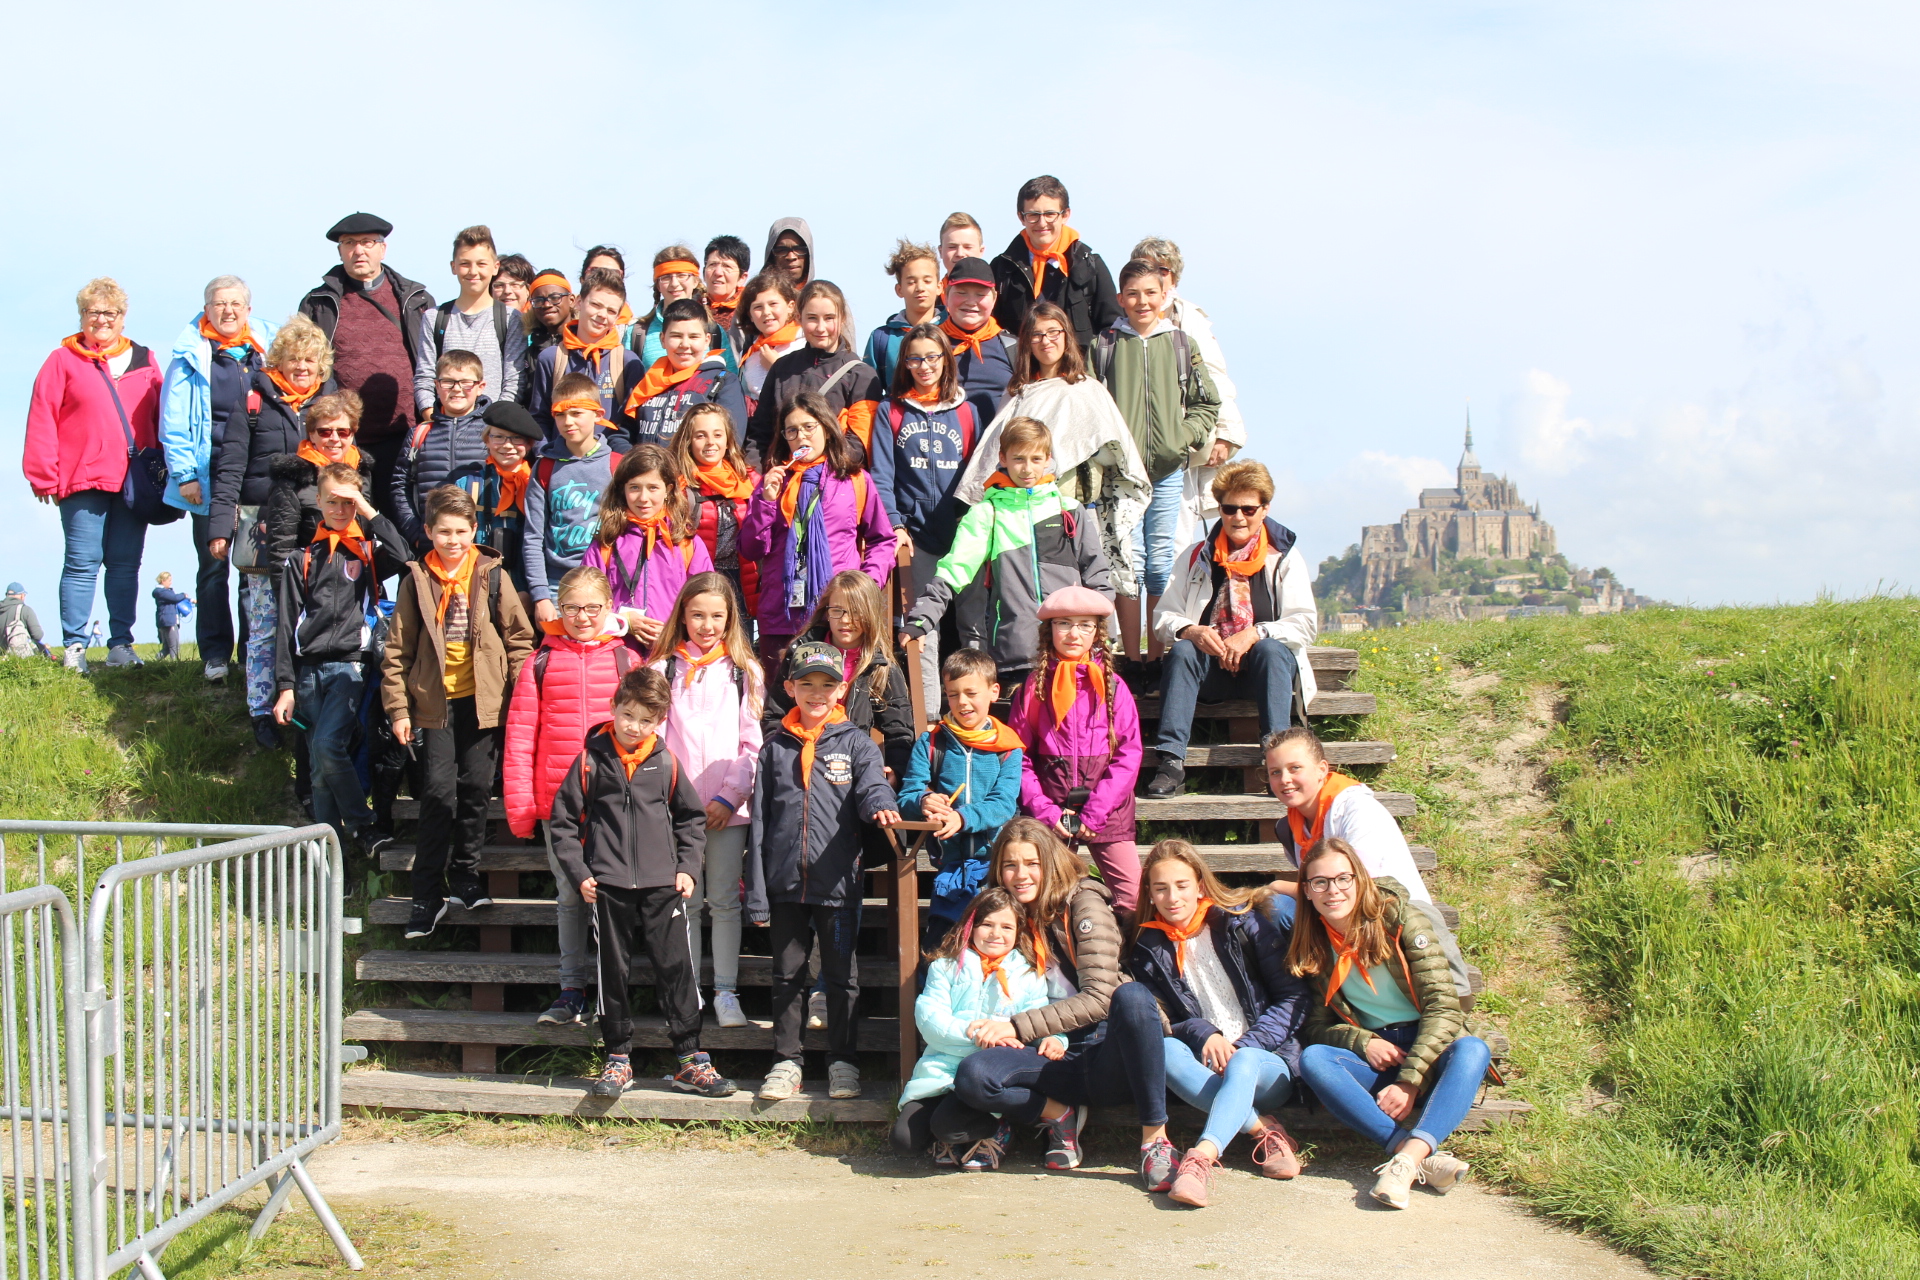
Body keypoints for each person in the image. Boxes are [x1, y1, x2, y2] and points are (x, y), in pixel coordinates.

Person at [549, 666, 736, 1101]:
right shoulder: (589, 761)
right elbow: (561, 824)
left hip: (662, 886)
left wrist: (688, 867)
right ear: (614, 708)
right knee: (612, 971)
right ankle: (617, 1058)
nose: (635, 727)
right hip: (607, 886)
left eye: (646, 720)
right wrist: (581, 874)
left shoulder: (667, 762)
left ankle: (690, 1060)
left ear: (659, 721)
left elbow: (691, 819)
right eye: (628, 715)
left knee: (677, 970)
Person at [947, 820, 1170, 1179]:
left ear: (1049, 862)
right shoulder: (1005, 914)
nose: (1021, 875)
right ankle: (1058, 1114)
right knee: (975, 1076)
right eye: (1010, 865)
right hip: (1048, 1053)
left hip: (1104, 1050)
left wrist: (1016, 1026)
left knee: (1131, 996)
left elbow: (1101, 997)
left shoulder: (1083, 902)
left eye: (1032, 863)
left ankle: (1156, 1143)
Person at [1291, 838, 1488, 1210]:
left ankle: (1406, 1160)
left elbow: (1444, 1008)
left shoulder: (1399, 918)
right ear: (1307, 890)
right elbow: (1316, 1027)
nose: (1333, 891)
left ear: (1360, 879)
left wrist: (1409, 1082)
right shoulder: (1314, 941)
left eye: (1343, 878)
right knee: (1315, 1058)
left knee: (1473, 1049)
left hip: (1429, 1045)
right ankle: (1416, 1155)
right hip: (1380, 1053)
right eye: (1320, 882)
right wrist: (1363, 1042)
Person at [744, 639, 901, 1103]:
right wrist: (756, 891)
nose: (817, 693)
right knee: (786, 975)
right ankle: (786, 1062)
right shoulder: (773, 748)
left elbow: (873, 788)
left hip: (838, 882)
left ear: (841, 689)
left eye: (827, 685)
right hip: (784, 884)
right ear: (790, 687)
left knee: (841, 976)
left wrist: (882, 809)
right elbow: (758, 822)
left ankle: (843, 1062)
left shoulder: (856, 743)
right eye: (807, 684)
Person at [381, 485, 534, 939]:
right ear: (428, 532)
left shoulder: (492, 575)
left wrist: (519, 696)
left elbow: (519, 639)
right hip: (435, 704)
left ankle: (465, 876)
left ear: (475, 531)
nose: (452, 540)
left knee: (475, 789)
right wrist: (398, 710)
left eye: (461, 531)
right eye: (443, 531)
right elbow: (396, 652)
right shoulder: (416, 581)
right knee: (437, 794)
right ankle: (426, 894)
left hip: (483, 703)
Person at [503, 566, 647, 1028]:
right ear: (557, 610)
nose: (582, 617)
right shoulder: (538, 663)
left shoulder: (627, 661)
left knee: (613, 895)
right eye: (571, 608)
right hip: (558, 805)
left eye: (592, 608)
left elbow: (648, 735)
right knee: (569, 895)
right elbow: (521, 736)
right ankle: (570, 989)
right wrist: (522, 809)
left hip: (615, 803)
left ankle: (612, 987)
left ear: (609, 609)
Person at [1130, 840, 1307, 1208]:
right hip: (1205, 1070)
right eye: (1160, 888)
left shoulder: (1242, 923)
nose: (1172, 897)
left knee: (1242, 1061)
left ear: (1200, 885)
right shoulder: (1148, 946)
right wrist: (1204, 1032)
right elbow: (1167, 1022)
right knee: (1161, 1048)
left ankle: (1200, 1160)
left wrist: (1245, 1045)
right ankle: (1265, 1131)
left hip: (1266, 1062)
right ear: (1149, 892)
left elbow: (1294, 999)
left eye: (1181, 886)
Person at [953, 303, 1149, 609]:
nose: (1046, 341)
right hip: (1025, 516)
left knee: (1085, 588)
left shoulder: (1089, 390)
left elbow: (1115, 451)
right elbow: (997, 451)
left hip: (1076, 510)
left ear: (1066, 336)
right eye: (1037, 334)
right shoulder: (1020, 392)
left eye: (1053, 332)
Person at [1145, 459, 1316, 798]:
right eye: (1229, 508)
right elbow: (1163, 617)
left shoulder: (1284, 558)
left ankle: (1275, 758)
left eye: (1248, 508)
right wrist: (1191, 630)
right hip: (1210, 671)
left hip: (1264, 672)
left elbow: (1305, 623)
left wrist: (1255, 632)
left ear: (1264, 509)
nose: (1239, 517)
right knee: (1182, 650)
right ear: (1219, 509)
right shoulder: (1196, 556)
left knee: (1270, 648)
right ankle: (1171, 761)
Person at [901, 418, 1110, 689]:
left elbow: (1097, 575)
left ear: (1048, 459)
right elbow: (954, 570)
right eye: (1018, 458)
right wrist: (921, 619)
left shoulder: (1069, 510)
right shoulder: (986, 513)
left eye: (1036, 459)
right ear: (1003, 458)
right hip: (1017, 655)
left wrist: (1098, 635)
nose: (1027, 468)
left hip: (1072, 652)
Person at [25, 277, 164, 672]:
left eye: (110, 312)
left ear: (123, 317)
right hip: (81, 476)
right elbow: (42, 415)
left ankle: (121, 644)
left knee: (125, 563)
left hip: (133, 480)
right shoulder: (62, 360)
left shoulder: (145, 358)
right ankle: (75, 647)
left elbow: (160, 417)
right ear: (82, 316)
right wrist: (42, 474)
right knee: (82, 562)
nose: (102, 319)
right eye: (93, 312)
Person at [646, 573, 765, 1029]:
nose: (707, 624)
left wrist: (728, 796)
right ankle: (689, 988)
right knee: (685, 901)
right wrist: (672, 801)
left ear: (731, 619)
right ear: (682, 615)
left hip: (728, 811)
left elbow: (752, 746)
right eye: (697, 614)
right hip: (677, 813)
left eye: (717, 616)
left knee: (723, 901)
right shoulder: (662, 669)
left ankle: (727, 991)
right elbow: (654, 742)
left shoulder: (743, 671)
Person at [271, 463, 410, 848]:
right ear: (318, 501)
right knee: (318, 770)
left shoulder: (365, 552)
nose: (339, 509)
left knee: (327, 746)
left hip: (350, 667)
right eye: (332, 501)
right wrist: (285, 686)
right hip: (307, 672)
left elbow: (401, 553)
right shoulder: (301, 557)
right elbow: (284, 626)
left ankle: (363, 825)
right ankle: (333, 861)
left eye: (347, 502)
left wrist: (367, 510)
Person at [209, 314, 335, 737]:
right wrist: (219, 527)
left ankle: (307, 703)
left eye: (310, 360)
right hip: (263, 526)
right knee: (263, 621)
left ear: (322, 366)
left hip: (317, 528)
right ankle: (262, 710)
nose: (302, 367)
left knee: (311, 619)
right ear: (278, 360)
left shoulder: (332, 405)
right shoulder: (254, 401)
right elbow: (230, 467)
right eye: (294, 359)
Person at [1094, 259, 1221, 662]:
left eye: (1150, 293)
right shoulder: (1105, 345)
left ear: (1165, 295)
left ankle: (1158, 657)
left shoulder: (1182, 344)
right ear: (1120, 299)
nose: (1142, 301)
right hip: (1121, 474)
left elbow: (1207, 402)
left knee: (1161, 560)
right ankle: (1132, 658)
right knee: (1127, 562)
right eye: (1133, 294)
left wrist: (1181, 439)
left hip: (1167, 470)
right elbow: (1091, 407)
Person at [162, 274, 278, 684]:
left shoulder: (267, 349)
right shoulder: (190, 355)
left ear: (248, 309)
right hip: (208, 473)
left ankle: (251, 651)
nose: (227, 311)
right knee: (213, 567)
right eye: (219, 304)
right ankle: (214, 654)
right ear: (206, 309)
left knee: (252, 569)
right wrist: (185, 475)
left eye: (235, 304)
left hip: (253, 475)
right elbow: (173, 422)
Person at [893, 887, 1058, 1163]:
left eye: (1007, 927)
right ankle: (950, 1137)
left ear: (1018, 933)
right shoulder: (945, 967)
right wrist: (980, 1033)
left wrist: (1056, 1039)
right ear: (971, 926)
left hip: (986, 1079)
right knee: (904, 1140)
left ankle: (999, 1128)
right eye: (987, 925)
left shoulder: (1028, 975)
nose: (996, 934)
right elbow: (930, 1019)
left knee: (947, 1125)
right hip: (940, 1071)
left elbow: (1039, 1017)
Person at [1005, 586, 1142, 914]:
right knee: (1043, 901)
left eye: (1085, 625)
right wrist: (1044, 811)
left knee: (1134, 899)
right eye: (1063, 624)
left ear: (1097, 632)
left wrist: (1096, 811)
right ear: (1048, 630)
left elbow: (1129, 753)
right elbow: (1016, 756)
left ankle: (1127, 961)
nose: (1073, 633)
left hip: (1107, 810)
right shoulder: (1034, 687)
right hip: (1051, 809)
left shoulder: (1113, 687)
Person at [870, 324, 982, 710]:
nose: (924, 366)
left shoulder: (968, 411)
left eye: (932, 356)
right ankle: (930, 717)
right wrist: (896, 524)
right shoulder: (891, 411)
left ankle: (976, 712)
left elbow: (978, 475)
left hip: (965, 536)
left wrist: (977, 527)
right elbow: (883, 476)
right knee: (923, 628)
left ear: (945, 359)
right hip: (916, 536)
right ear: (905, 363)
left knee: (973, 627)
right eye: (914, 358)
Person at [739, 392, 896, 664]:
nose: (801, 437)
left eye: (809, 427)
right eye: (792, 430)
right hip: (782, 614)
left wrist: (867, 584)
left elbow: (882, 540)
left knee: (835, 694)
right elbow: (751, 549)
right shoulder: (773, 484)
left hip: (839, 615)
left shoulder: (855, 479)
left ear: (826, 427)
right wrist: (766, 502)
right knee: (782, 699)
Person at [297, 213, 435, 520]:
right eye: (349, 243)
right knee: (350, 531)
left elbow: (433, 361)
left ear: (382, 250)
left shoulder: (415, 299)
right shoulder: (318, 302)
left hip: (405, 437)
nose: (359, 251)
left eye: (368, 243)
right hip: (343, 441)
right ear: (340, 251)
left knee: (405, 529)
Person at [897, 649, 1023, 943]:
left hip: (995, 870)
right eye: (953, 694)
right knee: (941, 949)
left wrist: (962, 817)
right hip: (949, 870)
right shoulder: (931, 742)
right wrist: (923, 801)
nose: (962, 702)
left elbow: (1004, 803)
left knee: (994, 949)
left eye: (971, 693)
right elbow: (907, 796)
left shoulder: (1008, 747)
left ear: (994, 692)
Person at [1130, 238, 1246, 549]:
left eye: (1161, 269)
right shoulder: (1123, 315)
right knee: (1128, 543)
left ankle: (1169, 600)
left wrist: (1224, 435)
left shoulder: (1188, 319)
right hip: (1131, 443)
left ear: (1174, 277)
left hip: (1176, 444)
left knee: (1172, 539)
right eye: (1146, 267)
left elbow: (1214, 377)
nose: (1154, 274)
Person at [760, 570, 915, 782]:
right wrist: (780, 758)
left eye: (855, 612)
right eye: (837, 611)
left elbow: (899, 731)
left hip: (850, 769)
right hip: (799, 765)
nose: (845, 620)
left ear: (870, 613)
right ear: (826, 611)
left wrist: (896, 770)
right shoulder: (800, 652)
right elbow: (775, 714)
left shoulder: (881, 666)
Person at [582, 443, 714, 648]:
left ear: (668, 490)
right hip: (617, 650)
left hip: (673, 652)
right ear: (622, 490)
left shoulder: (687, 543)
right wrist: (623, 621)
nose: (644, 498)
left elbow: (706, 603)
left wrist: (674, 630)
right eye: (634, 488)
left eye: (653, 488)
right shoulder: (606, 542)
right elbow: (586, 602)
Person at [744, 282, 884, 465]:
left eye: (829, 318)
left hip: (835, 480)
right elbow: (760, 434)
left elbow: (858, 444)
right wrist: (760, 478)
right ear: (799, 318)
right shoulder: (781, 368)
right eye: (812, 318)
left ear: (842, 319)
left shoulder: (861, 375)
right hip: (783, 482)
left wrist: (815, 475)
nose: (820, 328)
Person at [522, 372, 623, 624]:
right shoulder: (544, 467)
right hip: (558, 584)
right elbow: (533, 535)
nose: (568, 421)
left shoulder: (617, 466)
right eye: (560, 414)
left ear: (599, 415)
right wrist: (540, 596)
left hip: (606, 582)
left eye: (577, 413)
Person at [989, 175, 1120, 353]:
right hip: (1021, 375)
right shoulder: (1003, 268)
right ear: (1021, 217)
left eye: (1050, 214)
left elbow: (1111, 330)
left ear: (1065, 215)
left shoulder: (1090, 266)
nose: (1042, 223)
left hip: (1078, 375)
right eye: (1033, 215)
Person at [413, 226, 523, 417]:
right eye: (465, 264)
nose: (473, 272)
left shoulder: (510, 318)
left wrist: (495, 424)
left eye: (481, 264)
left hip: (492, 429)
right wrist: (433, 418)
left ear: (495, 267)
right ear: (453, 266)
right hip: (444, 425)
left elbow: (514, 381)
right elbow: (425, 376)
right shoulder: (435, 317)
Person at [393, 350, 495, 553]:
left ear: (480, 387)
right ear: (437, 385)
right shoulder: (419, 434)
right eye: (448, 382)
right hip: (429, 545)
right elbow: (399, 486)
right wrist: (416, 533)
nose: (457, 389)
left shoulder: (493, 432)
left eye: (466, 382)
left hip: (480, 545)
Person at [525, 269, 644, 437]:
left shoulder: (627, 361)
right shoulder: (552, 358)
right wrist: (546, 455)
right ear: (579, 302)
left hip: (610, 458)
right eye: (595, 305)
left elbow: (630, 423)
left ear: (618, 317)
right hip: (560, 459)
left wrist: (617, 457)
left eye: (611, 311)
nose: (602, 315)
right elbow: (540, 417)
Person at [667, 404, 759, 620]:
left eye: (718, 435)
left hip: (741, 580)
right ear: (688, 441)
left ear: (727, 440)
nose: (711, 442)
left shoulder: (749, 480)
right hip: (697, 580)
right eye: (701, 435)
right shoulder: (678, 485)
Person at [621, 298, 748, 449]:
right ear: (663, 339)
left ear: (707, 340)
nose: (685, 345)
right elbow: (622, 434)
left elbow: (732, 440)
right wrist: (633, 465)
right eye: (676, 336)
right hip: (647, 470)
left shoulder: (723, 383)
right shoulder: (647, 383)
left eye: (694, 337)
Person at [938, 257, 1015, 419]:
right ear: (945, 296)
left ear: (994, 299)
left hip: (998, 442)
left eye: (980, 294)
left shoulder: (1013, 347)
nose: (971, 302)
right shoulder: (928, 344)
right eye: (961, 293)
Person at [863, 240, 941, 391]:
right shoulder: (881, 339)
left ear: (939, 287)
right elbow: (869, 396)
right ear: (899, 290)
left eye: (927, 281)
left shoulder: (952, 330)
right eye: (911, 282)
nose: (920, 288)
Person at [737, 272, 803, 422]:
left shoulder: (804, 345)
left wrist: (777, 368)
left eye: (773, 304)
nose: (766, 312)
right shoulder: (749, 352)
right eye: (758, 307)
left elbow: (809, 392)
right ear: (750, 315)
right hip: (757, 430)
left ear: (790, 306)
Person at [631, 247, 709, 368]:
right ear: (658, 285)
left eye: (682, 275)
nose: (674, 283)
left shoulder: (714, 331)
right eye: (666, 277)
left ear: (695, 282)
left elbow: (728, 379)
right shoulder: (637, 333)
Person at [702, 235, 753, 370]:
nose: (718, 272)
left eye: (727, 266)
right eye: (712, 265)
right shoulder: (692, 309)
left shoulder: (752, 312)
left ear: (742, 277)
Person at [524, 269, 574, 362]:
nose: (547, 305)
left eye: (555, 298)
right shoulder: (530, 352)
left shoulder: (585, 344)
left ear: (571, 300)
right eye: (538, 300)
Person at [3, 584, 50, 659]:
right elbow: (38, 635)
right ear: (22, 596)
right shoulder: (25, 610)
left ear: (6, 595)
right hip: (20, 654)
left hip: (2, 655)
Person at [764, 218, 814, 289]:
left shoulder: (822, 297)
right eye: (782, 250)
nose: (791, 257)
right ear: (771, 256)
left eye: (799, 249)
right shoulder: (755, 297)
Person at [151, 574, 188, 660]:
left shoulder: (164, 592)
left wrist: (190, 600)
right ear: (163, 581)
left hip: (165, 621)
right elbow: (174, 598)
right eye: (169, 580)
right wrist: (184, 595)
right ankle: (175, 663)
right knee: (174, 646)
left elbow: (174, 598)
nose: (171, 583)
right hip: (168, 621)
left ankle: (156, 660)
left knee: (167, 648)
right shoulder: (160, 592)